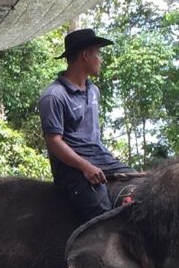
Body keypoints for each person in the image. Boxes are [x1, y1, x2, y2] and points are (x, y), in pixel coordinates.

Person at [37, 28, 137, 227]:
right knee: (105, 214)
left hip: (101, 159)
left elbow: (93, 135)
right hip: (72, 170)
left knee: (143, 187)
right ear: (85, 55)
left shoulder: (93, 91)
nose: (100, 59)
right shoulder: (54, 96)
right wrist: (85, 167)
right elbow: (53, 141)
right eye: (97, 53)